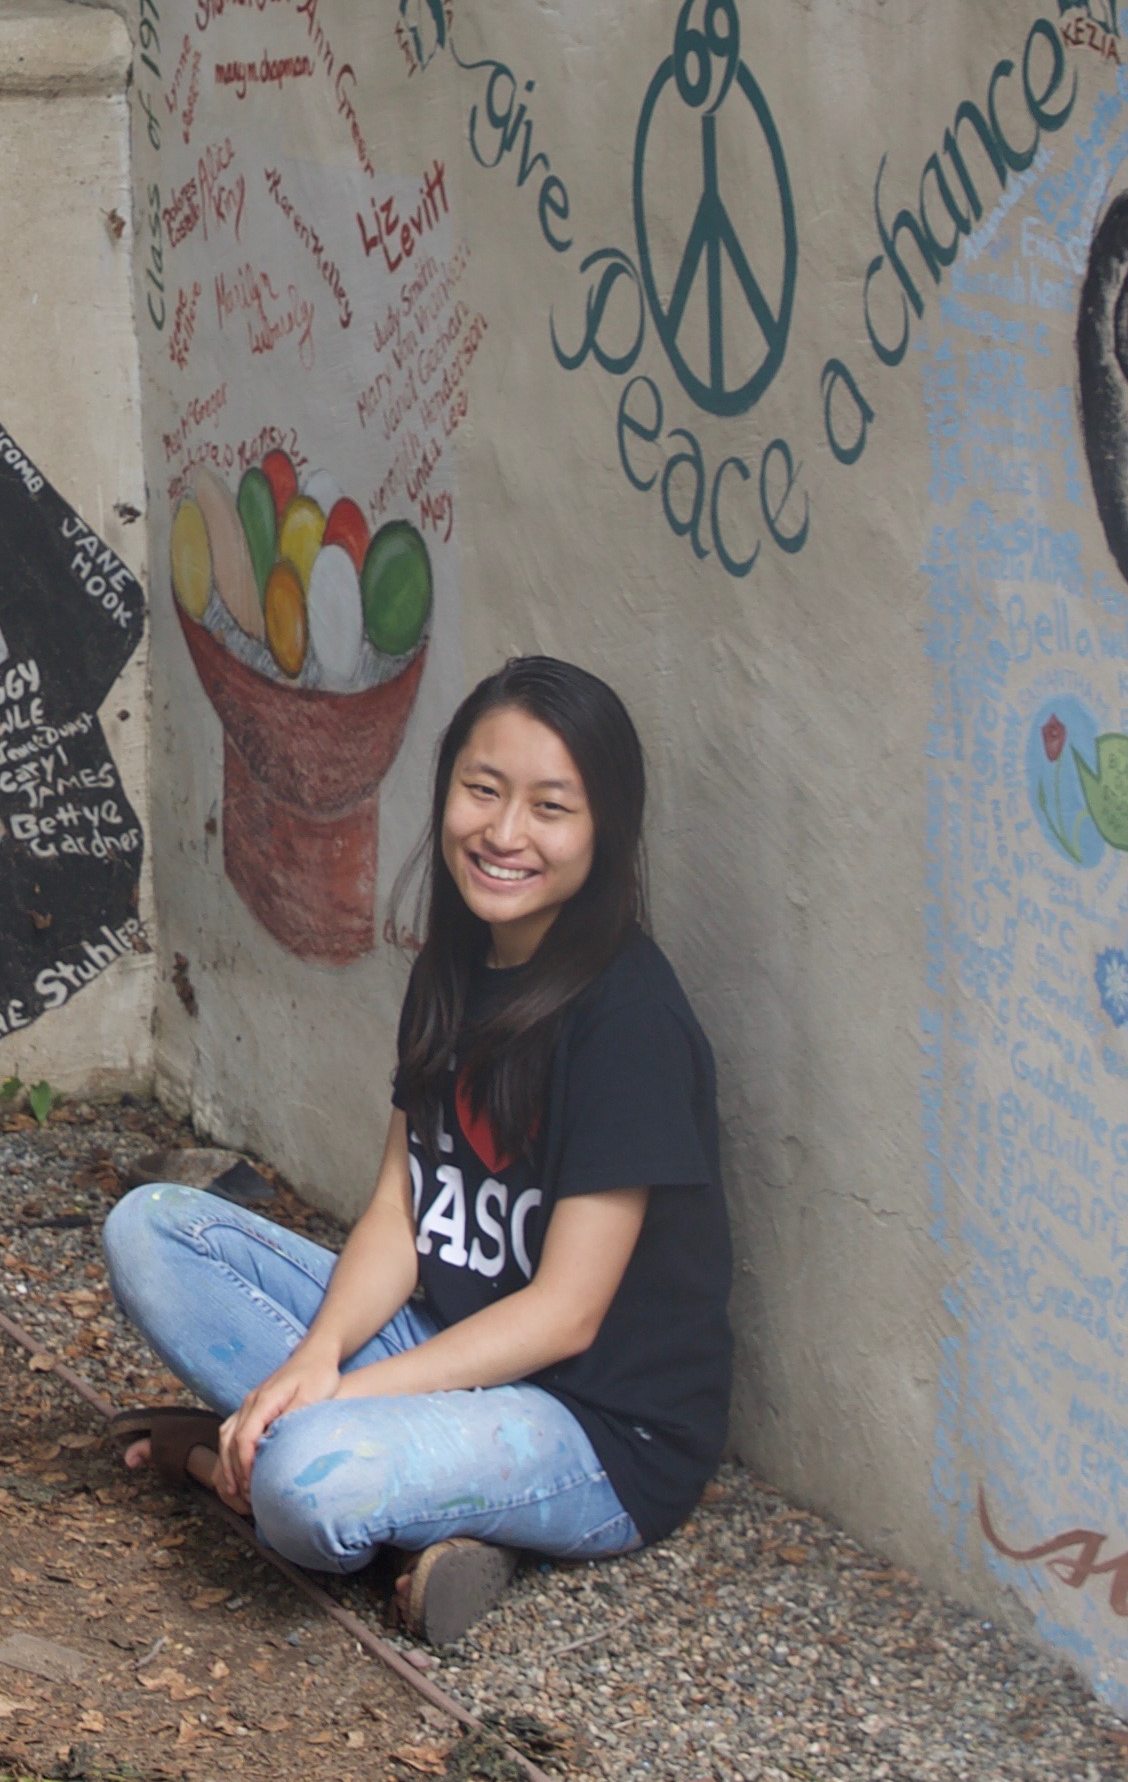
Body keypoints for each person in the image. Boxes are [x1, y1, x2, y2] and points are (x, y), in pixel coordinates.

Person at [95, 654, 726, 1644]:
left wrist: (340, 1397)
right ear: (446, 794)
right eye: (484, 791)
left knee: (310, 1484)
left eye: (551, 808)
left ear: (604, 833)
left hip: (593, 1427)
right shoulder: (457, 961)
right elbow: (400, 1207)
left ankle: (226, 1460)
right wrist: (314, 1359)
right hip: (448, 1345)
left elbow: (567, 1314)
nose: (506, 834)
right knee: (150, 1229)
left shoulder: (627, 1021)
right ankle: (422, 1513)